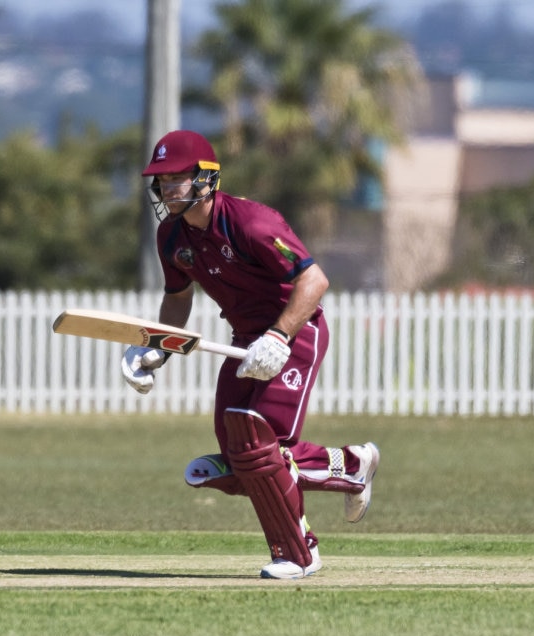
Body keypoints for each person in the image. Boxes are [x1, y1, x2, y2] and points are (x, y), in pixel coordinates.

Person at [122, 130, 380, 580]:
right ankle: (350, 467)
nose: (166, 189)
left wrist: (279, 336)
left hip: (295, 331)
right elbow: (178, 298)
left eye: (175, 179)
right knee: (241, 458)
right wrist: (156, 349)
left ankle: (299, 555)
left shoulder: (252, 223)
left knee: (255, 439)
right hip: (244, 338)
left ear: (206, 179)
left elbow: (314, 282)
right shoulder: (171, 238)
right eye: (160, 181)